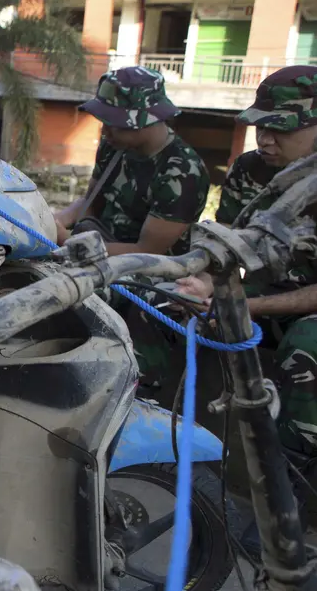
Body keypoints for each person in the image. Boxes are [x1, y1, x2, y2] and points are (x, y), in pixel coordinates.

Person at [177, 67, 317, 545]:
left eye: (283, 128)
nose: (268, 139)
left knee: (307, 343)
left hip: (302, 310)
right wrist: (205, 284)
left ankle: (289, 502)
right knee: (179, 307)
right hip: (269, 295)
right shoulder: (252, 171)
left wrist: (248, 307)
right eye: (263, 125)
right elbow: (228, 245)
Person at [54, 66, 210, 256]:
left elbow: (147, 251)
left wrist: (68, 243)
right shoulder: (114, 146)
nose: (105, 132)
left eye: (114, 124)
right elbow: (90, 203)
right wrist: (54, 222)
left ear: (147, 121)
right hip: (98, 251)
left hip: (148, 275)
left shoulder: (183, 173)